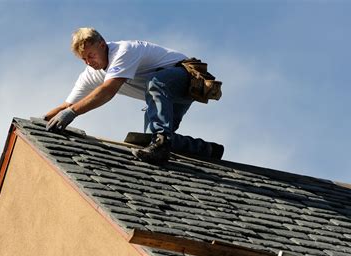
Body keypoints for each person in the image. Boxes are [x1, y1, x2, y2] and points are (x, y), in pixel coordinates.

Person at [44, 27, 223, 164]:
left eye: (91, 56)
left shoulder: (123, 51)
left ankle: (161, 144)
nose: (89, 63)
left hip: (185, 78)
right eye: (84, 59)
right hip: (166, 95)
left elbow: (108, 91)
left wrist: (73, 113)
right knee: (152, 138)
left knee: (156, 87)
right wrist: (42, 122)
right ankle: (207, 150)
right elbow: (66, 106)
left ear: (102, 45)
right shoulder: (91, 74)